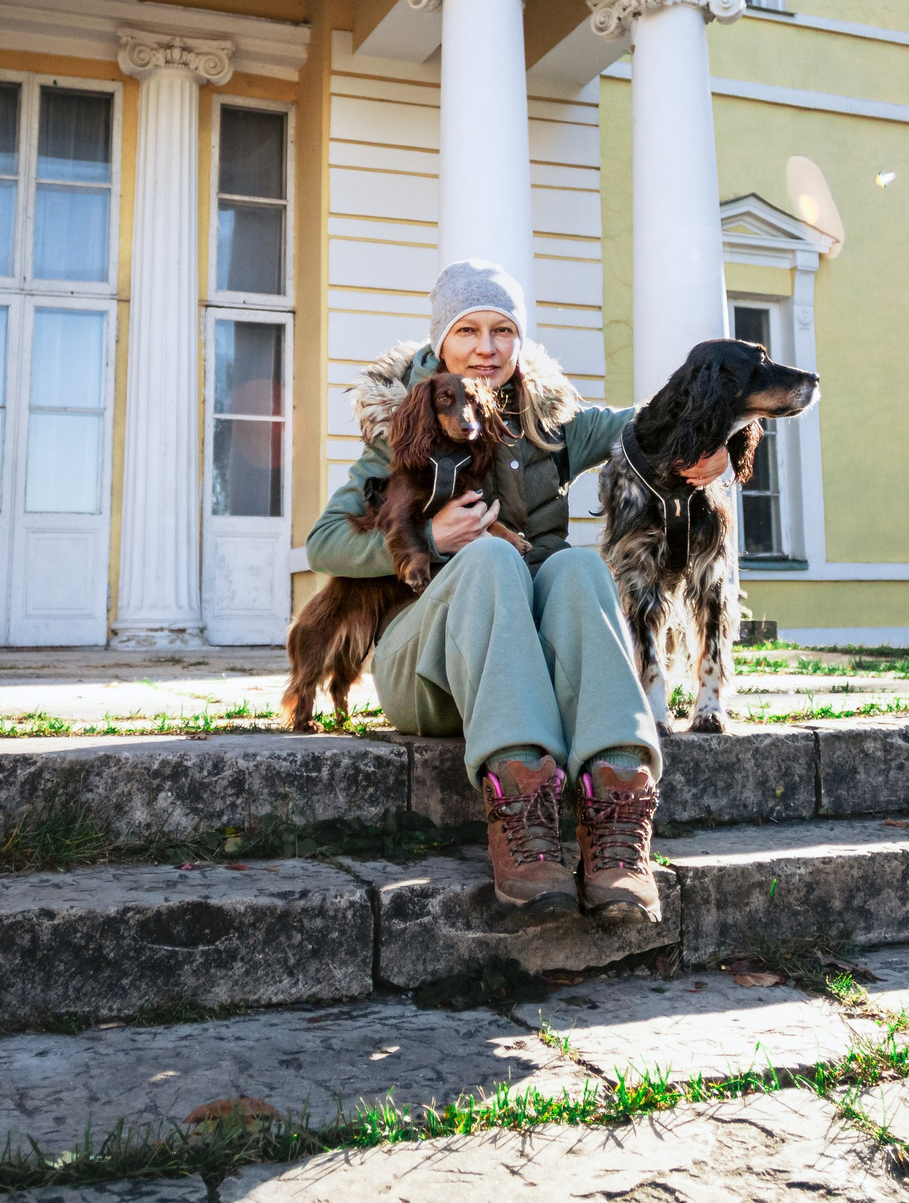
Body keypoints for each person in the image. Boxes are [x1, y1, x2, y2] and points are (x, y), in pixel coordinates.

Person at [304, 260, 728, 925]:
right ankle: (522, 810)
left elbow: (644, 425)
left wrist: (706, 443)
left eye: (503, 329)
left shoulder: (553, 425)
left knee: (578, 569)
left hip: (528, 669)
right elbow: (322, 541)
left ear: (520, 339)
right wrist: (430, 537)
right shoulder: (406, 425)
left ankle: (617, 806)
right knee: (492, 560)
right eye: (468, 329)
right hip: (427, 669)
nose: (486, 346)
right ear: (441, 341)